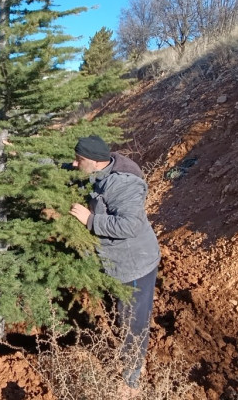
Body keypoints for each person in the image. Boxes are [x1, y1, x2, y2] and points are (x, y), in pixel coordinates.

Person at [70, 135, 161, 392]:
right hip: (113, 262)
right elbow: (62, 167)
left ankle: (131, 377)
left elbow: (129, 225)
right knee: (120, 313)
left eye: (79, 160)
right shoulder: (97, 170)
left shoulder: (123, 185)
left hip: (133, 264)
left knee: (133, 321)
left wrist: (90, 220)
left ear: (97, 162)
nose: (75, 165)